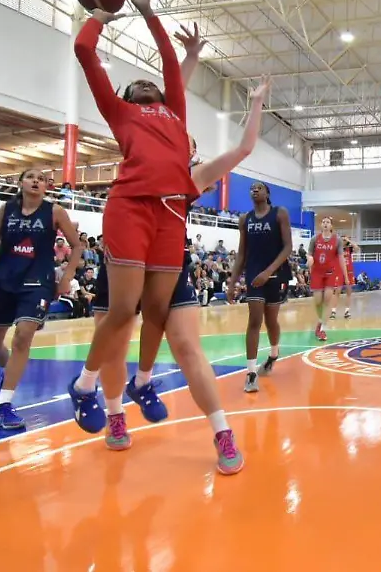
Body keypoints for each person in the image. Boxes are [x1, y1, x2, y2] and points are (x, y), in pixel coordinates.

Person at [89, 26, 269, 474]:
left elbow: (244, 146)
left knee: (188, 346)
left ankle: (222, 432)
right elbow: (169, 90)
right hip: (127, 248)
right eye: (141, 93)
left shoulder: (195, 175)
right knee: (116, 337)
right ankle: (114, 413)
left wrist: (257, 103)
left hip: (171, 261)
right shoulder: (135, 146)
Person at [67, 0, 199, 434]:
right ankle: (84, 386)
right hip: (130, 208)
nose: (146, 84)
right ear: (125, 99)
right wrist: (100, 17)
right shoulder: (122, 113)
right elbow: (85, 53)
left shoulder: (175, 112)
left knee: (158, 311)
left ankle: (143, 382)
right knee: (123, 310)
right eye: (136, 84)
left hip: (174, 213)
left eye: (151, 84)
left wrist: (148, 12)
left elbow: (167, 63)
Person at [0, 169, 82, 429]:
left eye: (41, 179)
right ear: (20, 183)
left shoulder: (55, 212)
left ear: (46, 187)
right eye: (30, 177)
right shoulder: (7, 209)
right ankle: (12, 372)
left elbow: (77, 245)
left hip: (37, 281)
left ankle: (3, 405)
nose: (35, 181)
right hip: (4, 278)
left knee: (22, 336)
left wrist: (66, 277)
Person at [230, 181, 292, 394]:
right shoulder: (244, 219)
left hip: (275, 274)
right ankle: (251, 373)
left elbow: (288, 247)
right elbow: (241, 254)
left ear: (267, 193)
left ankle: (274, 354)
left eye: (259, 187)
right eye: (251, 188)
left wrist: (269, 272)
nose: (254, 190)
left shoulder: (279, 213)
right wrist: (232, 282)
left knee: (271, 321)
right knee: (254, 320)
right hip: (254, 276)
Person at [307, 217, 349, 342]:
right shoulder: (315, 239)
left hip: (330, 273)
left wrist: (346, 276)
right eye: (323, 222)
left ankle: (322, 328)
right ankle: (320, 322)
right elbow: (309, 254)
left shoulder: (337, 240)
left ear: (331, 226)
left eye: (328, 222)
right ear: (321, 225)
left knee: (328, 300)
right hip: (317, 273)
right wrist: (309, 259)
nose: (325, 224)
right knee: (318, 302)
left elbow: (341, 259)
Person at [331, 237, 359, 320]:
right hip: (339, 272)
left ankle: (347, 311)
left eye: (344, 240)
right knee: (337, 292)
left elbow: (357, 249)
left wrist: (349, 240)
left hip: (349, 272)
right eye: (342, 239)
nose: (344, 241)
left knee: (349, 292)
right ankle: (333, 311)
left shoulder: (349, 249)